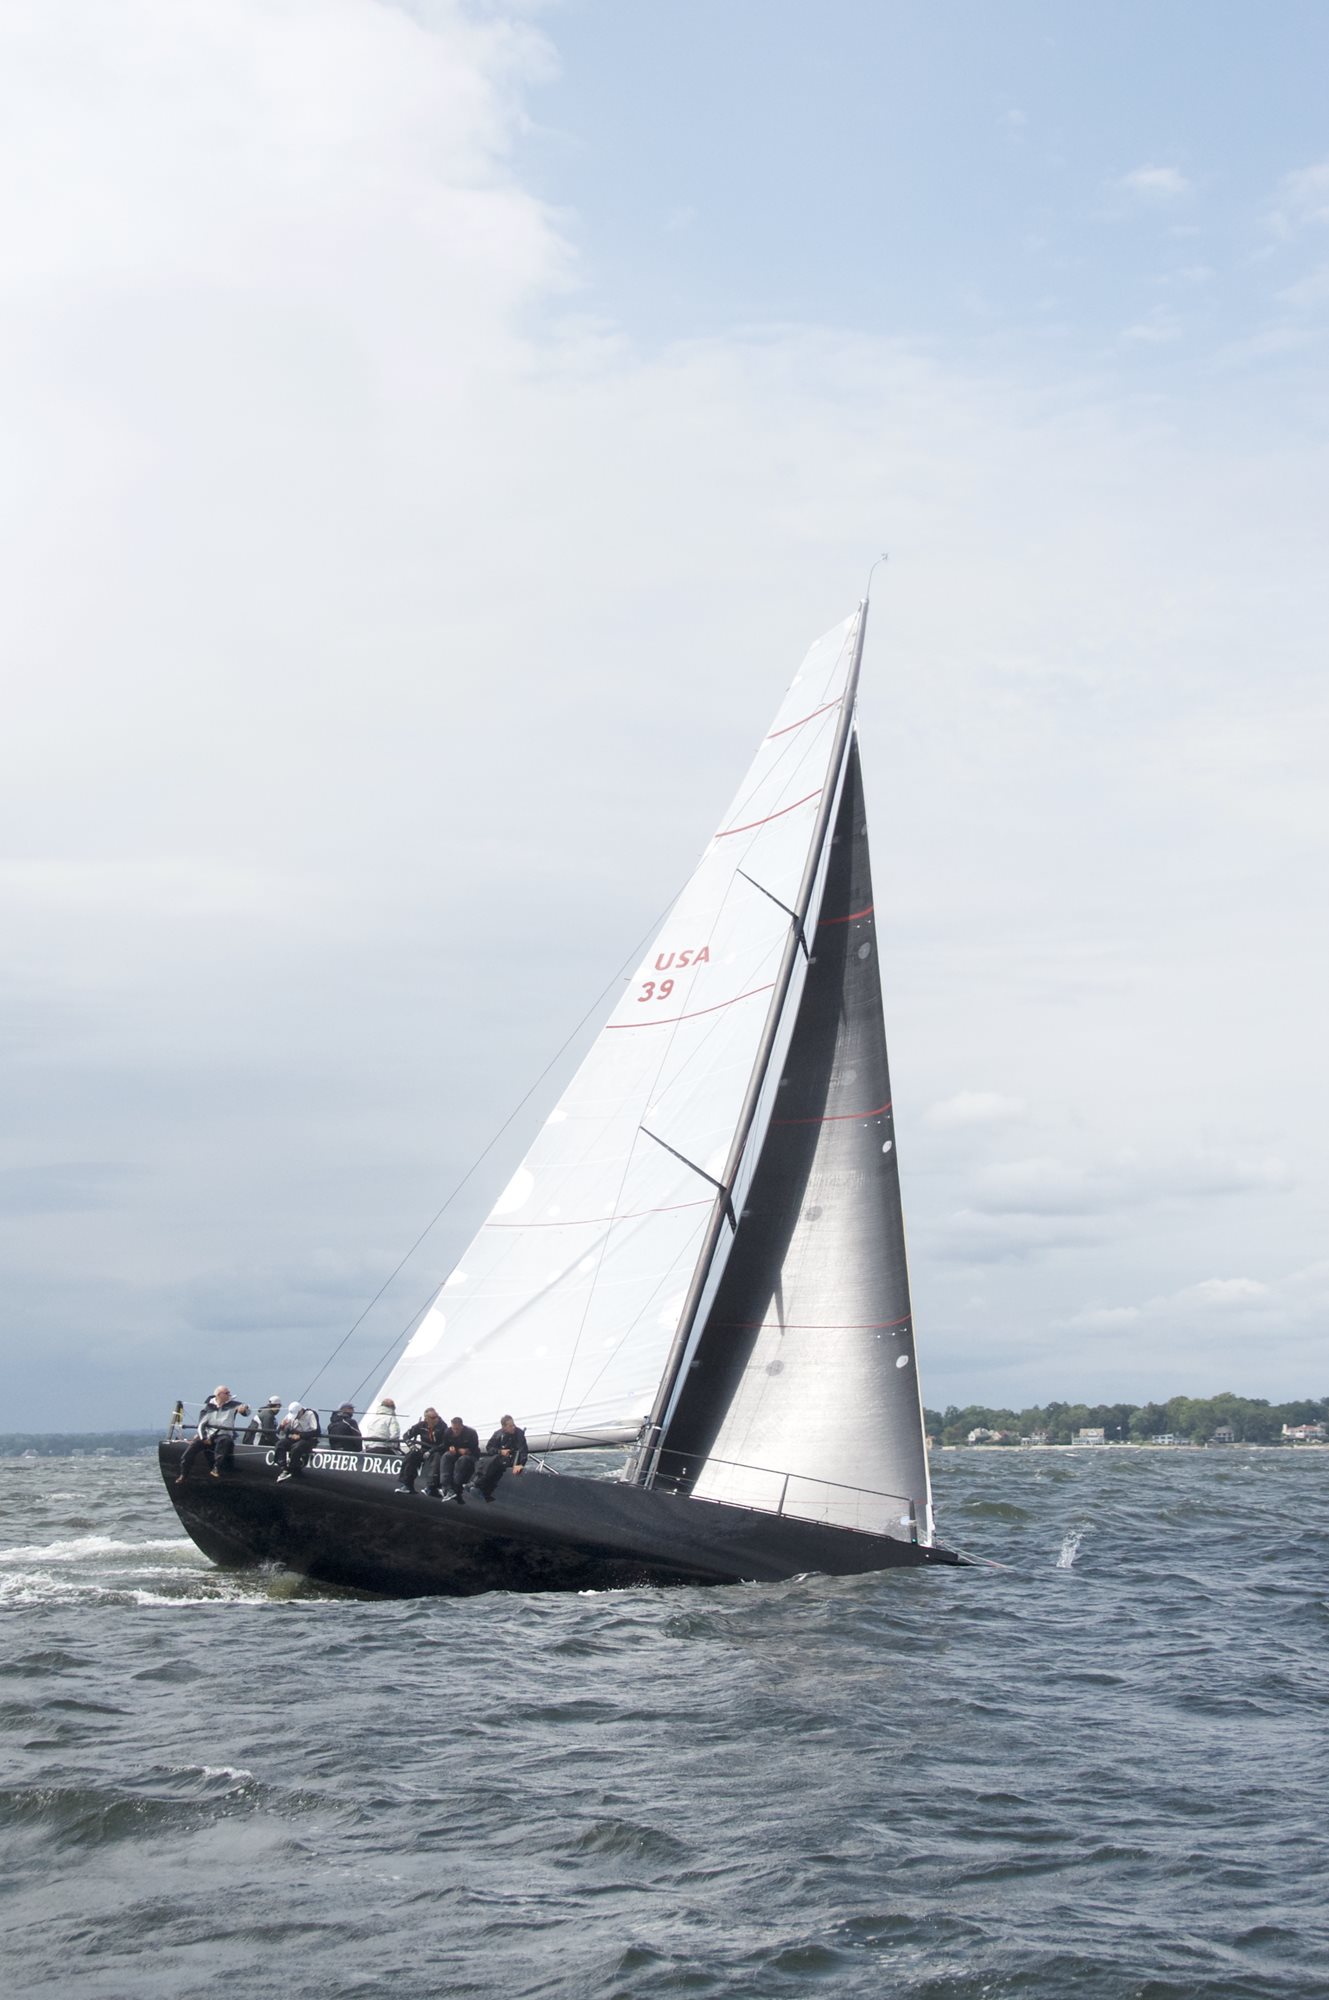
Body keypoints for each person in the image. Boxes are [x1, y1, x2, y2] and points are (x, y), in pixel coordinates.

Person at [175, 1387, 249, 1484]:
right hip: (209, 1434)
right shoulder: (208, 1407)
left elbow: (247, 1411)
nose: (229, 1394)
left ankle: (216, 1468)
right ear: (219, 1395)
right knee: (192, 1448)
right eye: (226, 1393)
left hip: (223, 1434)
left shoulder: (233, 1405)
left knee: (225, 1441)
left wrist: (243, 1409)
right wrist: (204, 1438)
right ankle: (183, 1474)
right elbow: (201, 1424)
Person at [396, 1408, 448, 1494]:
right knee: (411, 1455)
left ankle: (431, 1487)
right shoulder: (421, 1425)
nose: (436, 1419)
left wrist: (431, 1451)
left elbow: (445, 1443)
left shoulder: (443, 1426)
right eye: (433, 1418)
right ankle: (407, 1484)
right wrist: (411, 1446)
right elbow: (406, 1436)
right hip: (424, 1449)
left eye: (437, 1417)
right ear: (426, 1418)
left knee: (437, 1457)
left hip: (437, 1450)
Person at [476, 1415, 529, 1501]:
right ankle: (481, 1487)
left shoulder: (519, 1433)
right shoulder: (498, 1434)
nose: (513, 1427)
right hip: (499, 1458)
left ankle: (478, 1484)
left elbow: (523, 1450)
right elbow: (489, 1448)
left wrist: (521, 1464)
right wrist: (500, 1451)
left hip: (511, 1459)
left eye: (513, 1425)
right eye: (510, 1426)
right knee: (486, 1461)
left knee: (495, 1461)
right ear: (504, 1427)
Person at [438, 1416, 481, 1503]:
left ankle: (455, 1487)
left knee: (462, 1460)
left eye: (457, 1429)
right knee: (446, 1456)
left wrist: (467, 1451)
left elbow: (475, 1449)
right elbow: (445, 1445)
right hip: (456, 1453)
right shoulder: (448, 1432)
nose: (455, 1431)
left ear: (462, 1426)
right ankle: (446, 1486)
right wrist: (450, 1448)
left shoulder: (471, 1433)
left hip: (470, 1456)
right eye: (453, 1429)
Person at [274, 1402, 320, 1481]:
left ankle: (292, 1468)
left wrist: (300, 1436)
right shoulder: (290, 1415)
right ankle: (284, 1467)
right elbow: (280, 1432)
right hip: (293, 1438)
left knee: (296, 1447)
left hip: (307, 1439)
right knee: (280, 1444)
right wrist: (281, 1426)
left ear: (301, 1411)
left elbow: (316, 1432)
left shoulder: (310, 1414)